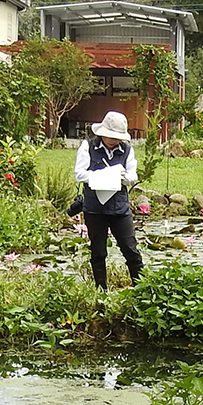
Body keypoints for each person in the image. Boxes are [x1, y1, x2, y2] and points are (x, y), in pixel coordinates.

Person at [73, 111, 143, 289]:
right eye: (110, 136)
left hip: (119, 208)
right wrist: (102, 176)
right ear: (102, 132)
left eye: (117, 137)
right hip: (94, 208)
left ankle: (142, 290)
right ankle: (101, 292)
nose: (114, 140)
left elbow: (133, 175)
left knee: (131, 250)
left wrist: (122, 176)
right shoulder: (87, 146)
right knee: (98, 252)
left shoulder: (127, 150)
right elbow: (80, 173)